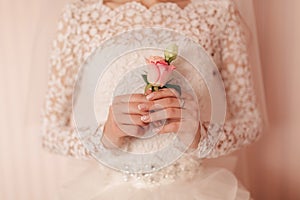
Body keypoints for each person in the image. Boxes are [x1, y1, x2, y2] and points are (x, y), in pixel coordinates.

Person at [41, 0, 264, 199]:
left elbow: (251, 122)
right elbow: (49, 132)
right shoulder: (80, 18)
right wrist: (104, 137)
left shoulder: (217, 14)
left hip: (193, 189)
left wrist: (200, 135)